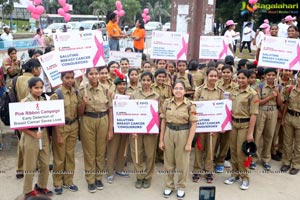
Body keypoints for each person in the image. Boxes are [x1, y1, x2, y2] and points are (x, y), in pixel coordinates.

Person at [159, 80, 197, 199]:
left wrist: (189, 143)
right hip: (169, 132)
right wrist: (161, 140)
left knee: (182, 163)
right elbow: (163, 121)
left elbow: (194, 124)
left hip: (183, 133)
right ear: (172, 90)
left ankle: (181, 186)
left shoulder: (190, 105)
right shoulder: (167, 103)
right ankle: (169, 185)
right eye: (176, 88)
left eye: (181, 88)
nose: (178, 91)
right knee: (168, 162)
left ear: (185, 91)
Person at [78, 67, 113, 193]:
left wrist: (110, 130)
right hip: (88, 120)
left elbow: (110, 109)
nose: (93, 76)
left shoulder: (105, 89)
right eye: (91, 74)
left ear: (99, 75)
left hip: (103, 120)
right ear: (87, 75)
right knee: (89, 152)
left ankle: (99, 177)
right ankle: (90, 180)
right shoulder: (82, 90)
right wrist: (83, 103)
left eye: (95, 73)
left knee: (101, 151)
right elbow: (80, 113)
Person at [224, 69, 259, 190]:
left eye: (243, 78)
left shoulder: (253, 94)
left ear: (249, 79)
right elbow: (229, 109)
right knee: (233, 151)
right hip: (234, 124)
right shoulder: (233, 91)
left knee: (242, 153)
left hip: (244, 125)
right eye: (239, 78)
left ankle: (245, 178)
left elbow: (254, 114)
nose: (240, 80)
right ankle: (235, 174)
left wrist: (250, 133)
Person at [20, 77, 53, 199]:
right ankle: (27, 191)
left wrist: (47, 135)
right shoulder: (24, 103)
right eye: (36, 88)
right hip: (30, 136)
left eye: (41, 88)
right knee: (30, 165)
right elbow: (19, 125)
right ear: (30, 88)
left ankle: (41, 185)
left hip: (43, 134)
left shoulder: (44, 100)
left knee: (45, 163)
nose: (39, 90)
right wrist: (34, 134)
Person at [192, 68, 224, 183]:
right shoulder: (199, 90)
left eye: (215, 76)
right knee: (199, 148)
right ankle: (197, 170)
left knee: (211, 149)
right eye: (211, 76)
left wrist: (217, 127)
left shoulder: (220, 92)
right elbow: (194, 107)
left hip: (213, 126)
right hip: (201, 125)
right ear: (206, 76)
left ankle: (209, 171)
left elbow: (221, 110)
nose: (213, 78)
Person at [129, 71, 160, 189]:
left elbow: (158, 114)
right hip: (137, 129)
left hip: (150, 130)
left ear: (152, 82)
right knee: (137, 153)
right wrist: (132, 129)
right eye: (144, 80)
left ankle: (147, 177)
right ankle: (139, 177)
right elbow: (130, 112)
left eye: (148, 80)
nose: (146, 82)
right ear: (140, 81)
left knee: (150, 154)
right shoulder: (133, 94)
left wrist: (155, 128)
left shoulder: (156, 96)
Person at [51, 71, 79, 195]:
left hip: (73, 126)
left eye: (72, 78)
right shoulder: (57, 94)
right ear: (61, 79)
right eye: (67, 78)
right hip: (61, 128)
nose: (70, 80)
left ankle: (69, 181)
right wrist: (57, 135)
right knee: (59, 157)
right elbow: (54, 117)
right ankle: (57, 183)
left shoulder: (75, 92)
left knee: (70, 156)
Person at [250, 68, 283, 171]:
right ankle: (254, 159)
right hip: (261, 111)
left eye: (273, 75)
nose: (271, 77)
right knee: (257, 135)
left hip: (273, 112)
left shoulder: (279, 87)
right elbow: (257, 102)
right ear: (264, 76)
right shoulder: (259, 87)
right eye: (269, 75)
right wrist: (270, 96)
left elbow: (280, 103)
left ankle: (266, 159)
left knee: (269, 136)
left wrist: (277, 93)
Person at [106, 70, 129, 184]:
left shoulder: (129, 96)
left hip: (125, 127)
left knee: (122, 150)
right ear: (116, 85)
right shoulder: (112, 96)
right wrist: (110, 129)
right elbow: (110, 112)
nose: (122, 86)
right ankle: (110, 172)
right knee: (112, 150)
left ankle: (120, 169)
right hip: (115, 126)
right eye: (120, 84)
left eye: (124, 84)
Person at [215, 65, 238, 173]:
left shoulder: (236, 86)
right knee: (214, 140)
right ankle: (210, 161)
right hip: (216, 116)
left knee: (225, 142)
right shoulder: (216, 83)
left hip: (229, 117)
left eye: (228, 72)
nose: (226, 74)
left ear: (232, 74)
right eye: (224, 72)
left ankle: (220, 162)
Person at [280, 72, 300, 175]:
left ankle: (296, 164)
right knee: (287, 142)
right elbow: (286, 103)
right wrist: (283, 118)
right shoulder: (291, 88)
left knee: (298, 144)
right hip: (289, 117)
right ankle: (286, 162)